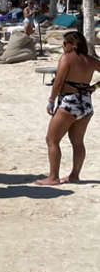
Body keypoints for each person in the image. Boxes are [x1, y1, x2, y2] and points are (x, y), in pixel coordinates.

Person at [37, 31, 96, 186]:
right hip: (86, 103)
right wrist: (94, 87)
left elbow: (58, 81)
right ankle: (74, 176)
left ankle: (53, 177)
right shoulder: (90, 60)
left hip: (69, 103)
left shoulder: (67, 58)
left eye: (64, 43)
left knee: (52, 140)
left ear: (73, 44)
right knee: (78, 142)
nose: (63, 46)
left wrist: (51, 100)